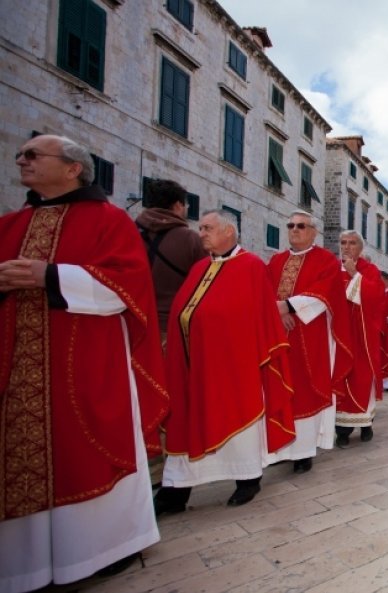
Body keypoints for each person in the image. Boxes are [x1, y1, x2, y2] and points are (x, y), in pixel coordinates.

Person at [0, 134, 169, 590]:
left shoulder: (110, 221)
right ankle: (26, 564)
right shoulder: (9, 224)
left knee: (91, 444)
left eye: (33, 154)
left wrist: (49, 275)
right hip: (16, 363)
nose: (22, 159)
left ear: (74, 168)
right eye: (21, 153)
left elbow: (129, 285)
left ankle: (107, 546)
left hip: (88, 361)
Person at [154, 210, 295, 514]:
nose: (201, 232)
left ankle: (247, 478)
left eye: (208, 228)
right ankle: (175, 490)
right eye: (200, 226)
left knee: (237, 417)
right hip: (192, 362)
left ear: (229, 232)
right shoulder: (199, 268)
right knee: (186, 417)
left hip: (234, 364)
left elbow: (257, 317)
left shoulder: (252, 266)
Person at [267, 211, 352, 474]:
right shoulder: (275, 260)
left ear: (314, 231)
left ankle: (303, 451)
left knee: (305, 387)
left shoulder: (326, 260)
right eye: (290, 225)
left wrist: (289, 307)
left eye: (301, 226)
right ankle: (280, 447)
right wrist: (277, 315)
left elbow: (326, 293)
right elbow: (262, 292)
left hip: (309, 334)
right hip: (277, 335)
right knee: (278, 386)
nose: (294, 230)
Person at [135, 178, 207, 337]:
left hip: (134, 323)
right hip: (172, 328)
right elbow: (205, 286)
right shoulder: (190, 239)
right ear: (178, 206)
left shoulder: (130, 233)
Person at [335, 230, 385, 447]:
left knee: (361, 379)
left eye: (352, 243)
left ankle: (366, 424)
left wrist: (355, 275)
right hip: (338, 335)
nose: (346, 247)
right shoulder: (331, 270)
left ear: (361, 248)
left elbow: (376, 297)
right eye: (343, 243)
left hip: (361, 336)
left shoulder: (369, 270)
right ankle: (342, 431)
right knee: (339, 380)